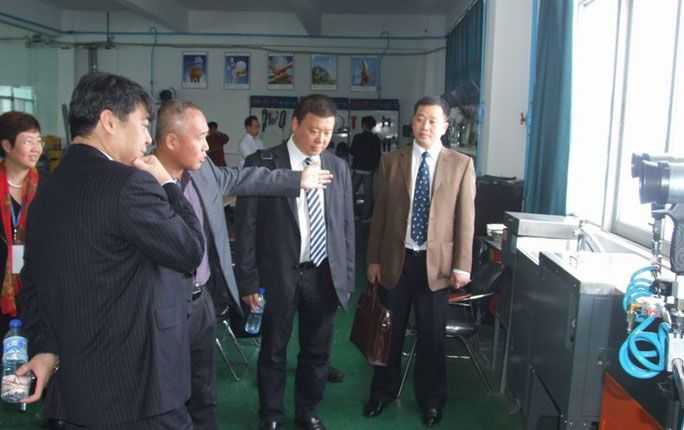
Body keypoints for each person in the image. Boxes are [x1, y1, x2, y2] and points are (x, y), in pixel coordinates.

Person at [17, 72, 205, 429]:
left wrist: (45, 347)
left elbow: (33, 280)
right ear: (109, 121)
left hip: (75, 391)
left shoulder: (47, 188)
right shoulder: (130, 185)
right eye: (144, 124)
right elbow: (190, 249)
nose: (148, 138)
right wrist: (167, 182)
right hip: (138, 392)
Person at [153, 99, 332, 430]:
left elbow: (245, 178)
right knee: (164, 391)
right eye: (200, 137)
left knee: (204, 391)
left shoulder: (204, 170)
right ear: (172, 140)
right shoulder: (140, 182)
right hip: (161, 306)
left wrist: (296, 180)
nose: (208, 146)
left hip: (202, 300)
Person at [235, 94, 355, 430]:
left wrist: (345, 277)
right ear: (295, 124)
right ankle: (271, 414)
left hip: (322, 274)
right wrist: (248, 281)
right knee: (273, 349)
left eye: (327, 132)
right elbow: (246, 228)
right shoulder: (263, 163)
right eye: (314, 130)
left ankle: (308, 412)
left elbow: (345, 226)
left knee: (317, 350)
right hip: (276, 275)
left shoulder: (337, 167)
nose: (320, 139)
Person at [362, 96, 476, 427]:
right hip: (396, 261)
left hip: (436, 267)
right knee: (388, 335)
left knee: (432, 338)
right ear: (412, 122)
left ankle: (432, 401)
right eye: (420, 118)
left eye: (432, 120)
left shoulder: (461, 164)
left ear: (444, 126)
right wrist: (373, 258)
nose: (425, 126)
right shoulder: (391, 161)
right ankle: (382, 393)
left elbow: (465, 219)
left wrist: (462, 265)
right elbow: (380, 214)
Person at [0, 112, 43, 336]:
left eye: (39, 141)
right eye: (28, 141)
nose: (36, 149)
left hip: (35, 289)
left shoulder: (47, 187)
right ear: (7, 146)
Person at [349, 116, 382, 220]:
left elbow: (352, 151)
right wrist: (375, 168)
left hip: (358, 168)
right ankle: (365, 216)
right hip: (369, 170)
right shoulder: (376, 139)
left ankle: (352, 215)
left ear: (363, 125)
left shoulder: (357, 137)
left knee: (351, 192)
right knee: (368, 194)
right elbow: (378, 156)